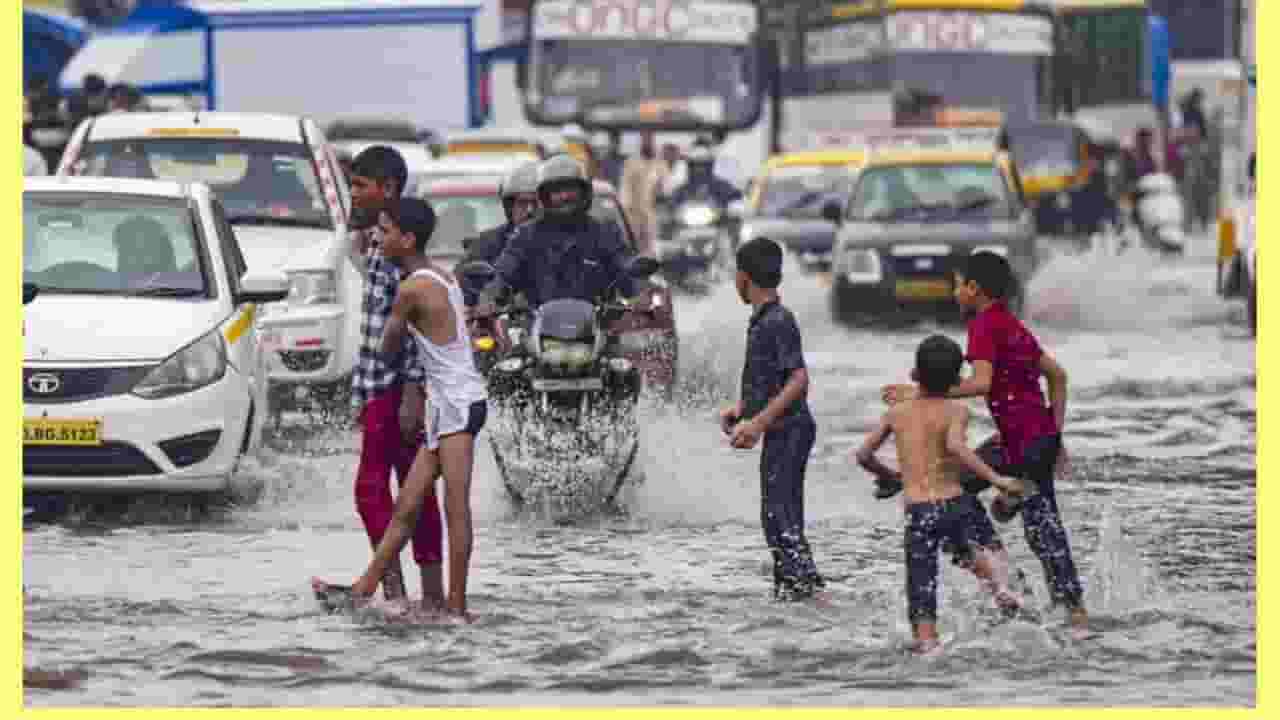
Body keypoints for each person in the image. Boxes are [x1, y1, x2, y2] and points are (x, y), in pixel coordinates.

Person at [882, 251, 1088, 633]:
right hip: (1031, 438)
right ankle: (1053, 601)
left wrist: (918, 393)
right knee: (1039, 526)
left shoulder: (982, 326)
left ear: (974, 289)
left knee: (952, 493)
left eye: (959, 284)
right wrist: (1055, 435)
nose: (956, 291)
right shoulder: (1011, 324)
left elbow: (981, 384)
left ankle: (1013, 579)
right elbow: (1058, 376)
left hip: (1022, 444)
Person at [348, 197, 489, 618]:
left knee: (455, 508)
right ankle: (362, 589)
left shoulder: (410, 289)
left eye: (386, 231)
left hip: (459, 407)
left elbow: (387, 350)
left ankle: (457, 610)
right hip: (448, 407)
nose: (378, 236)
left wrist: (395, 320)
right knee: (407, 506)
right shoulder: (441, 275)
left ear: (407, 240)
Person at [857, 335, 1028, 654]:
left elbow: (863, 454)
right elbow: (955, 447)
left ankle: (928, 641)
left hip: (919, 509)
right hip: (954, 501)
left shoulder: (897, 413)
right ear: (956, 380)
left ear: (913, 374)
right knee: (964, 549)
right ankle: (1000, 588)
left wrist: (891, 476)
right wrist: (997, 480)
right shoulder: (957, 411)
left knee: (921, 582)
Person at [344, 146, 443, 605]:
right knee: (410, 491)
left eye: (360, 186)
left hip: (395, 388)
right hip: (377, 387)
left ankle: (399, 593)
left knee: (378, 489)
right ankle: (423, 595)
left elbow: (417, 329)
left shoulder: (400, 242)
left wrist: (412, 393)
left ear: (387, 189)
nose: (353, 193)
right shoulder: (380, 240)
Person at [719, 237, 825, 601]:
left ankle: (808, 591)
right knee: (776, 517)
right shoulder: (765, 319)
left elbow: (798, 379)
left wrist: (758, 423)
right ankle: (791, 589)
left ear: (744, 278)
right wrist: (742, 411)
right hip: (782, 428)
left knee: (781, 516)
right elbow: (772, 378)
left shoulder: (778, 321)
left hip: (791, 430)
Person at [487, 154, 638, 309]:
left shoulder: (604, 233)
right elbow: (504, 271)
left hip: (597, 326)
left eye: (570, 189)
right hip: (536, 327)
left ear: (584, 192)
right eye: (557, 191)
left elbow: (627, 268)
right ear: (545, 195)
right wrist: (492, 295)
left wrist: (640, 295)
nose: (564, 196)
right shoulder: (526, 235)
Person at [460, 160, 540, 300]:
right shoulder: (488, 243)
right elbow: (464, 287)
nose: (530, 210)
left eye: (536, 203)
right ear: (509, 207)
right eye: (522, 203)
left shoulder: (564, 240)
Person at [620, 131, 664, 256]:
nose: (648, 142)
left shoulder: (659, 163)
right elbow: (625, 189)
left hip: (652, 215)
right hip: (634, 214)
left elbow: (665, 187)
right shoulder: (632, 162)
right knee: (634, 249)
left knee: (650, 250)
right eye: (645, 139)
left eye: (650, 139)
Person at [667, 143, 744, 209]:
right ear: (689, 166)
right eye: (695, 165)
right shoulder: (682, 190)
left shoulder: (721, 186)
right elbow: (672, 201)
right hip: (687, 223)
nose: (699, 169)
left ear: (710, 165)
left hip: (717, 222)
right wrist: (669, 201)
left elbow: (733, 194)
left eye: (703, 165)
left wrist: (735, 194)